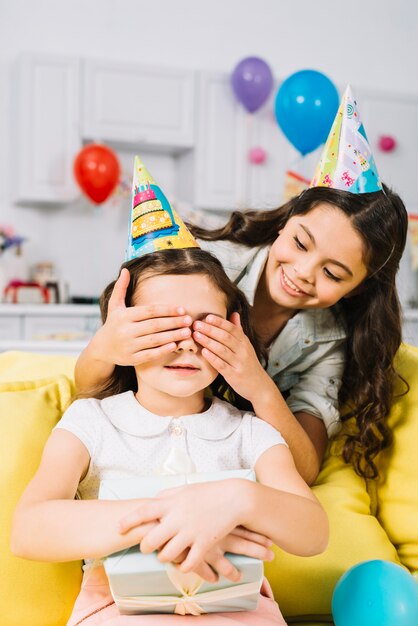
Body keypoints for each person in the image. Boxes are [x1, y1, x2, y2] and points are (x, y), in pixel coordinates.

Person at [75, 87, 409, 483]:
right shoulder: (205, 265)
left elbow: (304, 468)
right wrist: (107, 345)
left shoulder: (330, 339)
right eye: (300, 243)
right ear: (285, 221)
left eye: (333, 274)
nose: (303, 271)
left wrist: (256, 382)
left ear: (356, 288)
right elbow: (93, 388)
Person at [11, 247, 329, 626]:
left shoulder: (249, 432)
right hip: (119, 612)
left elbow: (314, 533)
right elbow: (28, 531)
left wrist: (240, 498)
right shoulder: (91, 421)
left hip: (240, 612)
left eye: (205, 325)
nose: (186, 343)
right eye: (162, 325)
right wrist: (170, 521)